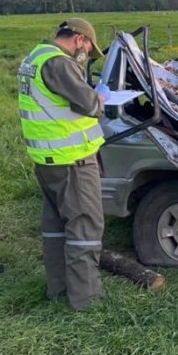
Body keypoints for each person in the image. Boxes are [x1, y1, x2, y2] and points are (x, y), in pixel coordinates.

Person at [17, 18, 112, 311]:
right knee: (85, 227)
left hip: (47, 160)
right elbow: (89, 104)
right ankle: (86, 303)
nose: (85, 57)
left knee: (56, 226)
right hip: (72, 161)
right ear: (80, 39)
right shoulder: (59, 63)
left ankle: (58, 290)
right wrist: (102, 98)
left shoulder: (34, 57)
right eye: (88, 51)